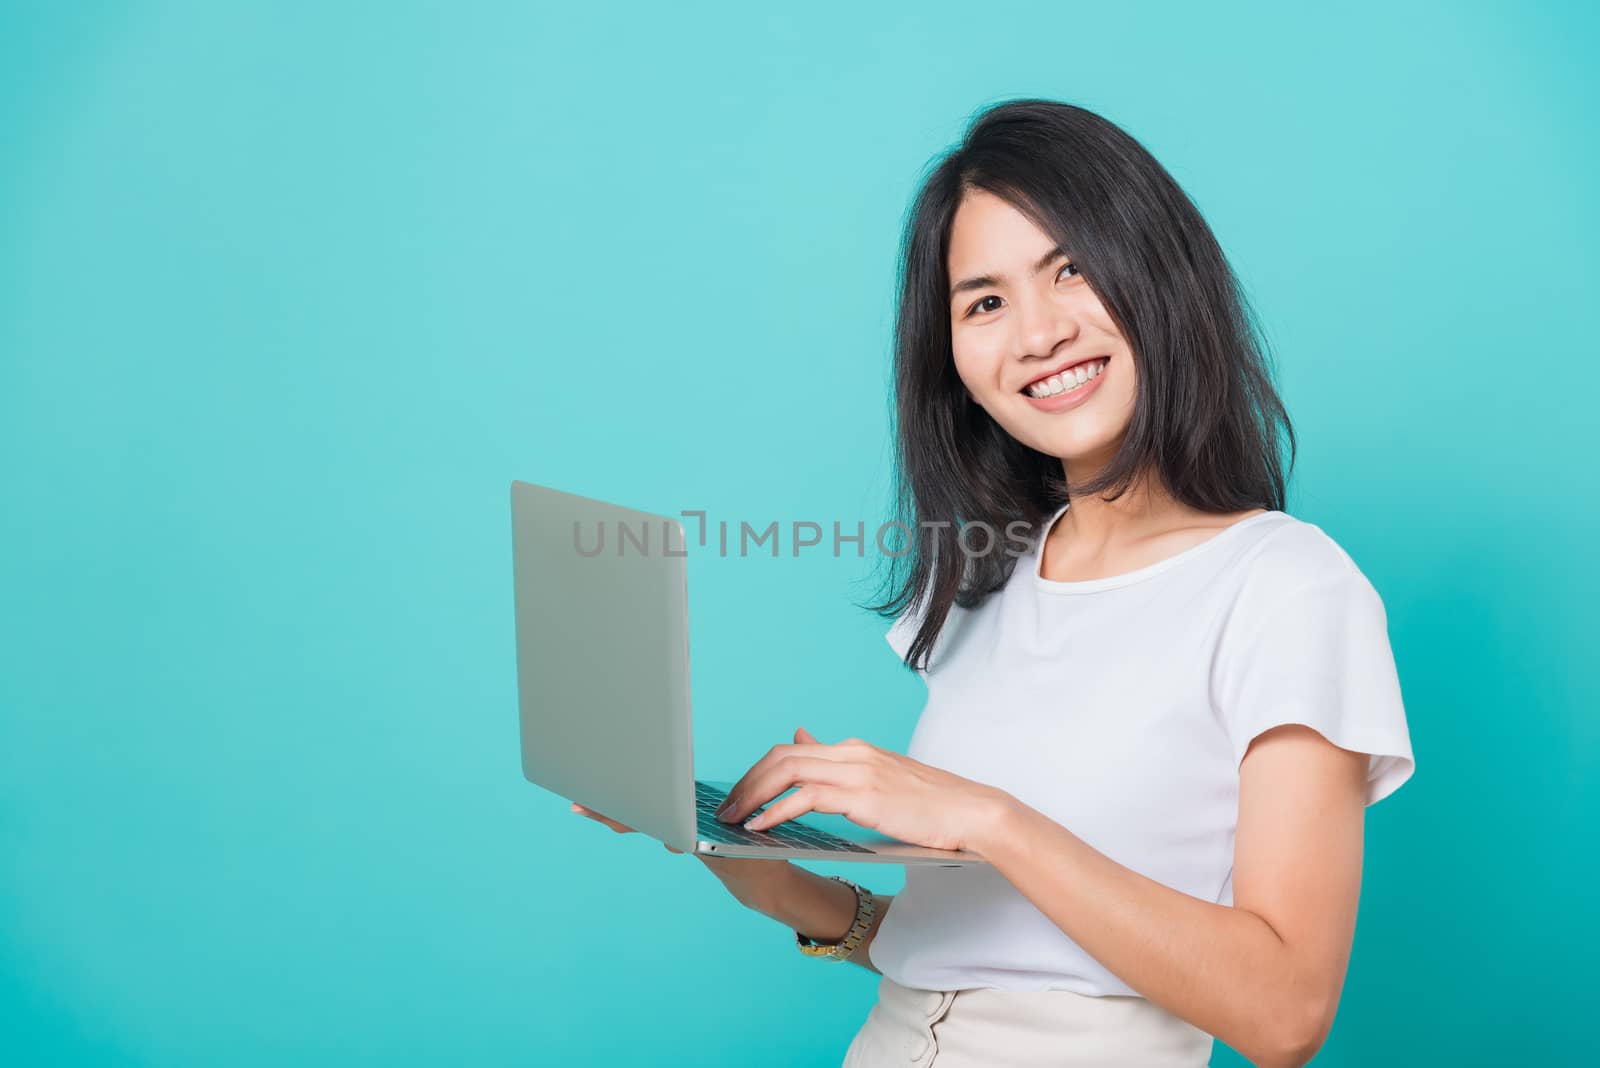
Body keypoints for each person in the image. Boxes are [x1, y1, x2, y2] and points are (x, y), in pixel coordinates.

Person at [570, 98, 1415, 1068]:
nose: (1037, 333)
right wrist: (752, 866)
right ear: (955, 366)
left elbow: (1284, 1014)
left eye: (1072, 269)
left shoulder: (1287, 588)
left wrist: (987, 819)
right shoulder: (990, 583)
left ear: (1162, 277)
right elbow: (973, 950)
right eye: (983, 302)